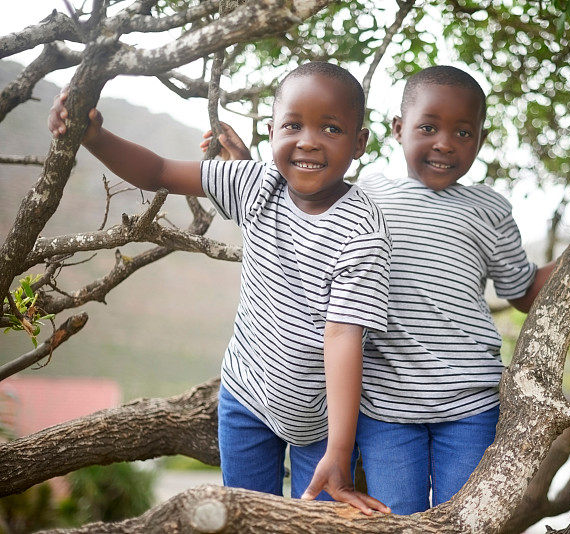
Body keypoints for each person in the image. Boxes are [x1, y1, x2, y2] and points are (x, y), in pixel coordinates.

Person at [204, 66, 570, 514]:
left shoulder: (489, 210)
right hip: (384, 408)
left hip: (469, 403)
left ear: (480, 140)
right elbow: (301, 197)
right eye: (427, 127)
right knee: (397, 518)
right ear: (397, 129)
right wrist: (244, 166)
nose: (444, 143)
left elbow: (526, 291)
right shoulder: (364, 194)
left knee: (463, 516)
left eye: (463, 132)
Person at [49, 62, 392, 515]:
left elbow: (344, 335)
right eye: (293, 125)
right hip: (246, 398)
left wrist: (340, 449)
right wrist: (93, 138)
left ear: (360, 142)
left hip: (320, 421)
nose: (308, 140)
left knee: (315, 522)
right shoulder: (256, 183)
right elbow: (159, 171)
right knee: (245, 518)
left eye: (331, 128)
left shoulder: (363, 230)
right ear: (271, 132)